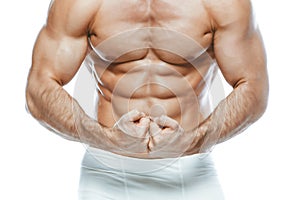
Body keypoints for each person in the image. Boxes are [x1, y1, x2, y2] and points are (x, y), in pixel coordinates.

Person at [25, 0, 269, 199]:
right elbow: (38, 89)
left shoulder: (222, 4)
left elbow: (254, 89)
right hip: (106, 173)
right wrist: (107, 139)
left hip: (191, 171)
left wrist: (193, 140)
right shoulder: (81, 3)